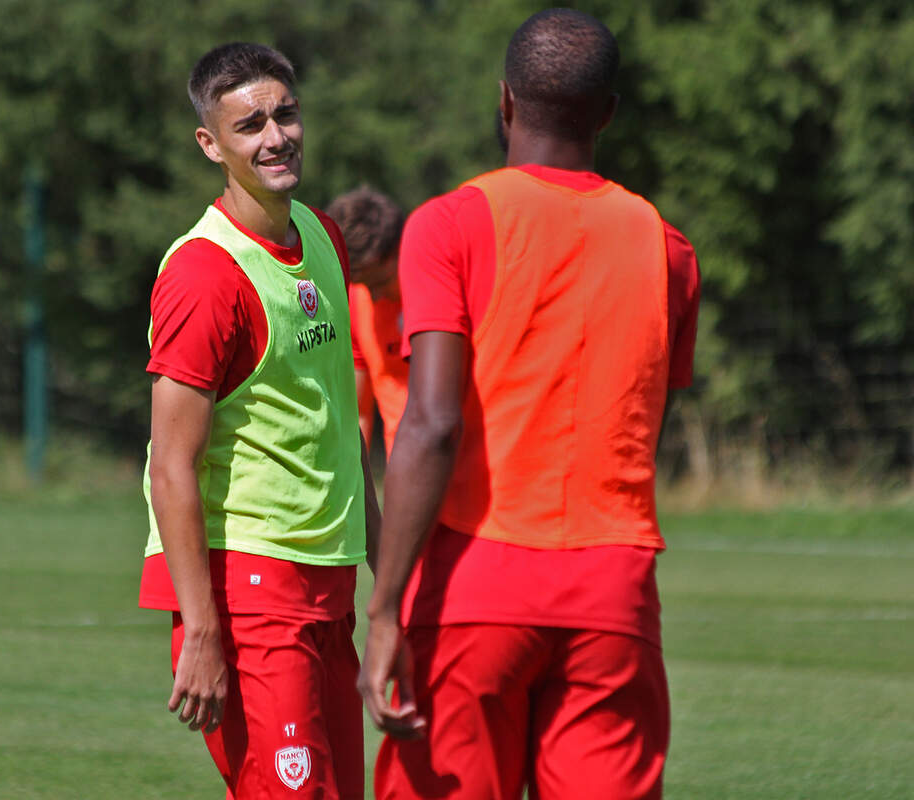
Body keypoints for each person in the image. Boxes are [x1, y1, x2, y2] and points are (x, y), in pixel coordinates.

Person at [358, 9, 700, 800]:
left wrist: (383, 613)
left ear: (504, 101)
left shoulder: (449, 224)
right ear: (609, 112)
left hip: (473, 583)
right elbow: (645, 427)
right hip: (612, 591)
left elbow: (432, 422)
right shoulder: (668, 248)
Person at [138, 42, 379, 799]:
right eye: (249, 126)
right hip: (249, 590)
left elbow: (341, 422)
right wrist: (201, 630)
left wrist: (391, 579)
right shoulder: (205, 275)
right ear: (211, 144)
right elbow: (172, 465)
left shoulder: (323, 235)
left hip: (327, 579)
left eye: (285, 114)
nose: (275, 136)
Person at [327, 187, 408, 457]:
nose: (373, 297)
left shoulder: (443, 290)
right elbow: (358, 416)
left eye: (382, 282)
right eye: (363, 284)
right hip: (404, 470)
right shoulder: (355, 303)